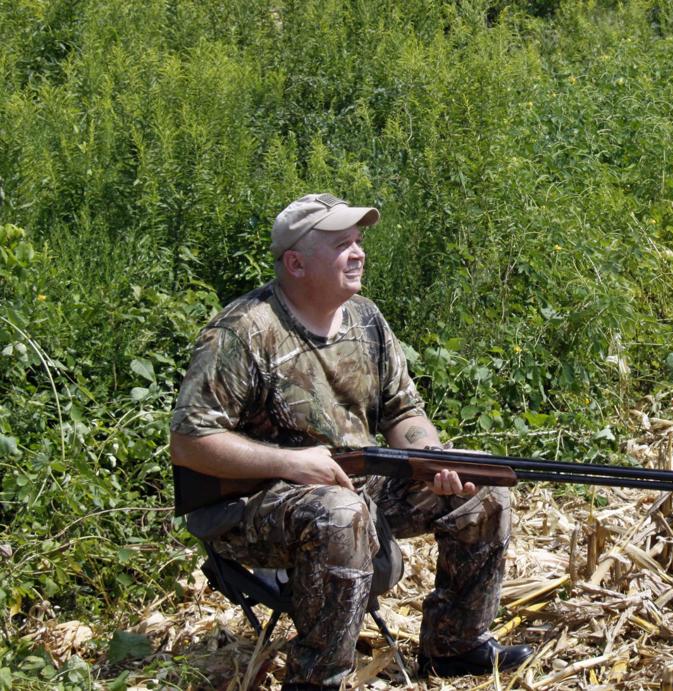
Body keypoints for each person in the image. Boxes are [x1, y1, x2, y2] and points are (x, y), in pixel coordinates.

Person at [169, 193, 533, 689]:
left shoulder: (366, 319)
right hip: (252, 506)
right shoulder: (242, 333)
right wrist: (290, 464)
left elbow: (404, 412)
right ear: (295, 263)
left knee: (483, 486)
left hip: (352, 485)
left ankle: (455, 648)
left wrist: (429, 456)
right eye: (342, 245)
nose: (358, 253)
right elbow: (190, 442)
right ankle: (317, 679)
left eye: (358, 242)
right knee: (339, 514)